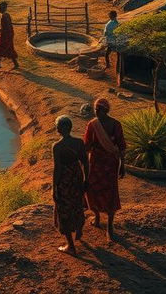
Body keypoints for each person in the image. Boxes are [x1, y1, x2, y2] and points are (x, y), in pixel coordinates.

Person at [84, 97, 126, 242]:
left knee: (110, 192)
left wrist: (122, 166)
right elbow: (87, 145)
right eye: (95, 110)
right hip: (98, 164)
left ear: (105, 110)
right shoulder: (94, 124)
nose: (96, 112)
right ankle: (97, 217)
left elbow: (121, 147)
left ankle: (109, 226)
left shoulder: (113, 125)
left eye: (98, 110)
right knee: (93, 190)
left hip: (107, 164)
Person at [52, 115, 88, 256]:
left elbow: (58, 169)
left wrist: (54, 188)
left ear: (58, 129)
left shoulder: (57, 146)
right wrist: (86, 179)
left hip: (65, 181)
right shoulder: (79, 143)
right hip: (77, 177)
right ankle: (79, 228)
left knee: (63, 209)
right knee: (77, 204)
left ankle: (71, 246)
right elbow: (86, 162)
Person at [0, 1, 19, 69]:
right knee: (9, 48)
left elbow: (4, 29)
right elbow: (8, 27)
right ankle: (16, 64)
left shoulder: (3, 17)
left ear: (2, 8)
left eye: (0, 7)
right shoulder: (7, 15)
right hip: (10, 34)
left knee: (0, 47)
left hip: (6, 35)